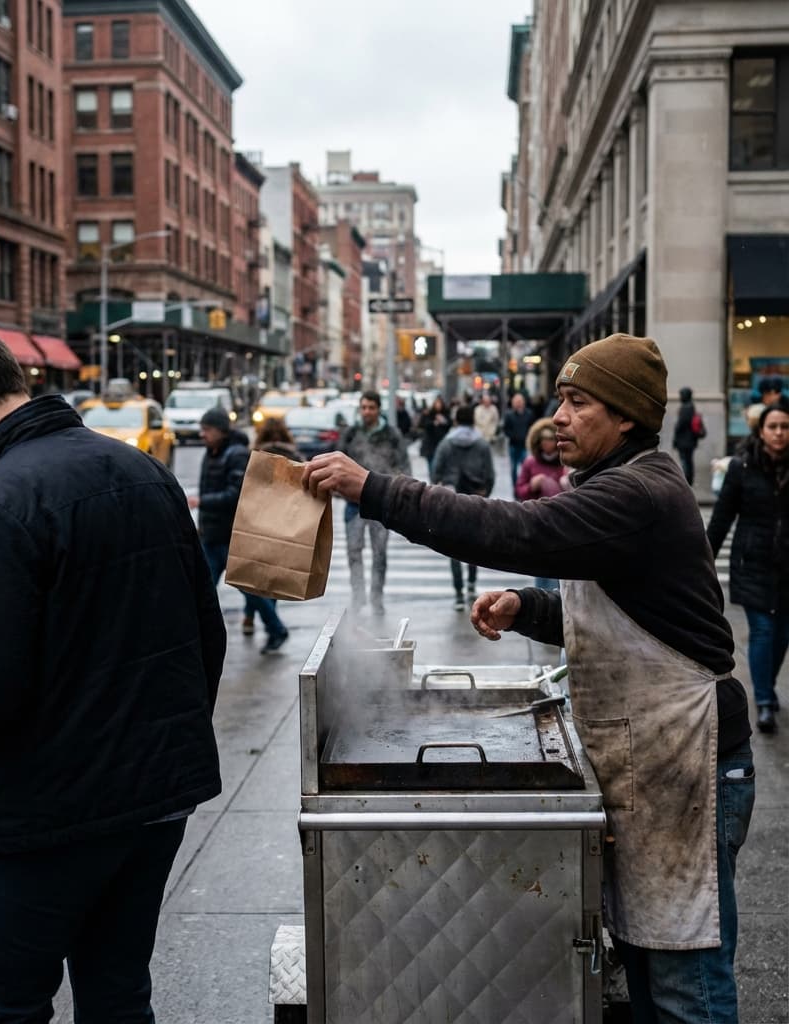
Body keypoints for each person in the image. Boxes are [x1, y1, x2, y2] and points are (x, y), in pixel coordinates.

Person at [303, 333, 754, 1024]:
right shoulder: (618, 485)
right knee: (648, 963)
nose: (560, 416)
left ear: (627, 416)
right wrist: (528, 608)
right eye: (560, 401)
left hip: (687, 758)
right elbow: (632, 614)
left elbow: (513, 531)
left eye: (578, 402)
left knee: (685, 983)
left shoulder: (639, 493)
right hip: (651, 761)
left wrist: (375, 489)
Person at [0, 318, 225, 1023]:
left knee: (5, 1003)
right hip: (157, 798)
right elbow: (206, 637)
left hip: (46, 813)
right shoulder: (143, 469)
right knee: (119, 994)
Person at [707, 399, 789, 735]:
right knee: (763, 631)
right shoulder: (742, 468)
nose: (780, 433)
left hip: (787, 567)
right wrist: (703, 562)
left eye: (785, 427)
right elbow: (722, 518)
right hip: (752, 562)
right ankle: (765, 700)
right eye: (773, 427)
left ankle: (766, 685)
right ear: (761, 430)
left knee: (782, 634)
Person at [338, 390, 412, 616]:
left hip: (381, 503)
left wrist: (400, 490)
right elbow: (339, 460)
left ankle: (376, 598)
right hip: (354, 504)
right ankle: (358, 596)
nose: (367, 412)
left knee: (379, 553)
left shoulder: (391, 434)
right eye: (364, 407)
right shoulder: (351, 434)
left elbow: (403, 465)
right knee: (353, 551)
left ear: (379, 409)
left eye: (371, 407)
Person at [244, 417, 302, 654]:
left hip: (258, 524)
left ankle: (266, 624)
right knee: (270, 580)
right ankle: (260, 619)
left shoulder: (258, 457)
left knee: (252, 578)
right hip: (284, 525)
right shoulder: (294, 456)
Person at [431, 403, 495, 610]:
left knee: (453, 547)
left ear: (456, 420)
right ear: (473, 421)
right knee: (473, 545)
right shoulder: (482, 444)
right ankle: (471, 585)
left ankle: (458, 592)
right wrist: (486, 493)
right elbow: (490, 474)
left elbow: (435, 471)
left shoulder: (446, 443)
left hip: (451, 499)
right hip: (475, 499)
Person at [187, 405, 250, 589]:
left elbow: (236, 495)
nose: (202, 434)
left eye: (207, 429)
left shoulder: (237, 454)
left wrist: (202, 502)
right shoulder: (212, 451)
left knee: (253, 595)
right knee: (203, 593)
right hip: (211, 536)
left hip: (230, 537)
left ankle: (270, 619)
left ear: (221, 431)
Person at [514, 417, 570, 591]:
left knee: (556, 567)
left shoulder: (566, 462)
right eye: (544, 440)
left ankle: (554, 599)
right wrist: (532, 485)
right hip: (538, 520)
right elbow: (520, 490)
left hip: (561, 521)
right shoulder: (531, 462)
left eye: (551, 440)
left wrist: (565, 482)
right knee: (540, 565)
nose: (547, 444)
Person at [502, 392, 534, 491]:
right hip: (513, 445)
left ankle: (522, 486)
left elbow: (532, 427)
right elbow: (505, 429)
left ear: (523, 403)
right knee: (513, 468)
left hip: (524, 445)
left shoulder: (529, 414)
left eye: (520, 401)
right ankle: (515, 487)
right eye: (516, 402)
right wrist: (513, 436)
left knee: (525, 467)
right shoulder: (509, 414)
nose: (519, 403)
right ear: (513, 403)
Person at [672, 386, 702, 484]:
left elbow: (680, 425)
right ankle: (690, 479)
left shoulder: (686, 408)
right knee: (689, 460)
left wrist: (675, 438)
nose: (680, 397)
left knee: (685, 460)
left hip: (684, 440)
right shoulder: (691, 406)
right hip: (690, 440)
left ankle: (687, 480)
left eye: (681, 395)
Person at [417, 394, 451, 479]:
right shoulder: (429, 414)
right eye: (436, 403)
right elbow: (422, 424)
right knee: (432, 467)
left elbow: (449, 425)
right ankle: (433, 483)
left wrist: (443, 421)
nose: (438, 405)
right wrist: (433, 423)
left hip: (441, 443)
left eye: (439, 403)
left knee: (440, 467)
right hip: (430, 445)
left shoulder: (446, 414)